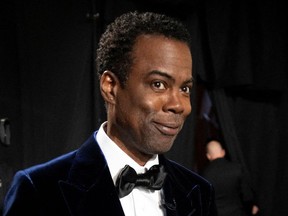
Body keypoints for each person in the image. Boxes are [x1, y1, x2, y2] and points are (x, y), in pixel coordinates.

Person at [3, 11, 216, 216]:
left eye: (185, 89)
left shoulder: (198, 192)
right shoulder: (40, 190)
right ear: (110, 86)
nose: (179, 105)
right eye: (158, 84)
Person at [202, 139, 259, 216]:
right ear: (223, 152)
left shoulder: (204, 175)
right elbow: (247, 195)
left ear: (208, 156)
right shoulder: (237, 168)